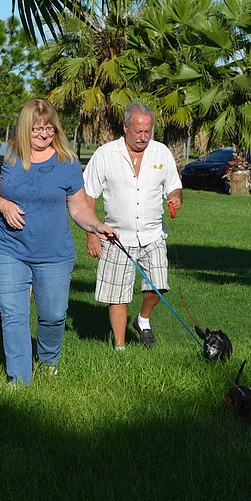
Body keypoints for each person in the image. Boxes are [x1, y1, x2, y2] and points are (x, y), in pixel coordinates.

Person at [0, 98, 115, 386]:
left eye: (49, 129)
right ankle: (19, 381)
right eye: (36, 129)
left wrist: (96, 226)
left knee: (53, 315)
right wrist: (3, 205)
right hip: (9, 249)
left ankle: (48, 362)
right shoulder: (6, 154)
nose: (43, 135)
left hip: (54, 253)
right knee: (14, 315)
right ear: (24, 128)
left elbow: (78, 207)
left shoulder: (67, 162)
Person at [84, 101, 183, 350]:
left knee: (159, 285)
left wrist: (176, 197)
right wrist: (91, 233)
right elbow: (88, 195)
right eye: (138, 131)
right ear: (125, 127)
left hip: (153, 234)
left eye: (148, 131)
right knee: (117, 295)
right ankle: (120, 348)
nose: (143, 137)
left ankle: (142, 319)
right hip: (116, 237)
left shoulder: (161, 153)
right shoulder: (105, 154)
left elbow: (174, 186)